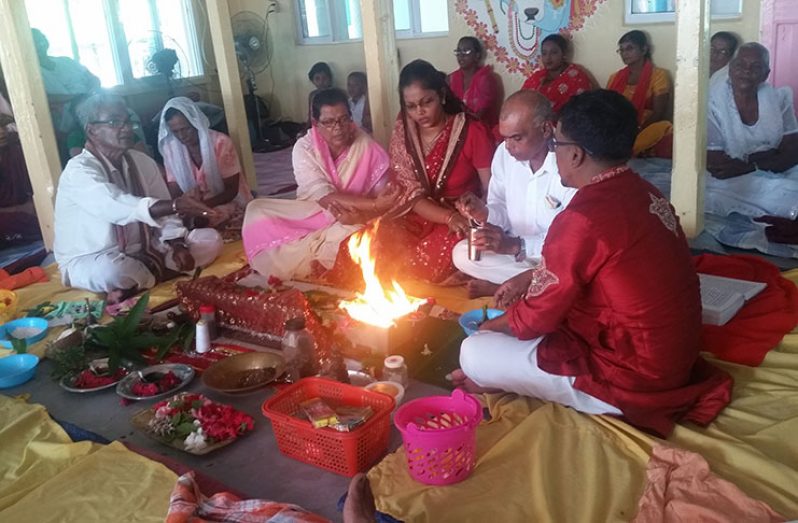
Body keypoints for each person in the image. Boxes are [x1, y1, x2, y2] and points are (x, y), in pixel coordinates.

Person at [452, 90, 733, 437]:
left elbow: (535, 318)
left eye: (555, 145)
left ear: (576, 153)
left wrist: (488, 329)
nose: (554, 154)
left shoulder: (582, 217)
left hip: (633, 376)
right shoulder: (646, 191)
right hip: (675, 357)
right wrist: (530, 276)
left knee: (474, 352)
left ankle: (556, 389)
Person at [327, 60, 495, 286]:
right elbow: (410, 194)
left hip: (461, 219)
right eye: (411, 106)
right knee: (361, 249)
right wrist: (446, 216)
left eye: (427, 102)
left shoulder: (471, 130)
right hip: (419, 214)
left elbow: (492, 190)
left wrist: (472, 215)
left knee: (419, 265)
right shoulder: (404, 131)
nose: (420, 112)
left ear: (442, 95)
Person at [54, 94, 223, 303]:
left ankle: (139, 282)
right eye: (114, 122)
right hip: (95, 257)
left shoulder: (142, 161)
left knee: (211, 240)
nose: (125, 128)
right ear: (91, 130)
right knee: (112, 271)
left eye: (128, 122)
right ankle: (156, 275)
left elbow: (166, 216)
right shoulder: (78, 171)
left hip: (147, 249)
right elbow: (114, 204)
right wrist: (176, 204)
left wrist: (177, 243)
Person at [242, 88, 397, 281]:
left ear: (351, 118)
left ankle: (321, 253)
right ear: (316, 124)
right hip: (309, 212)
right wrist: (374, 205)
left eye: (343, 119)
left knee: (364, 235)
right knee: (255, 209)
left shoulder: (365, 146)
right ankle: (322, 252)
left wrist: (365, 213)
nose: (338, 127)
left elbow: (384, 201)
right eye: (329, 122)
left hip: (351, 218)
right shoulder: (304, 147)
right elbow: (324, 197)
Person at [452, 90, 575, 298]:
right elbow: (500, 206)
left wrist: (517, 245)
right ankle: (529, 287)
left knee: (567, 272)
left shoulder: (568, 163)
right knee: (462, 253)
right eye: (505, 138)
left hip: (554, 258)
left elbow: (571, 239)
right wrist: (483, 213)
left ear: (545, 129)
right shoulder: (504, 154)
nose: (508, 147)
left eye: (516, 138)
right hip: (514, 256)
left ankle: (509, 287)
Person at [705, 42, 798, 223]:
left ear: (766, 74)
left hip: (759, 169)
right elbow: (718, 164)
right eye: (740, 65)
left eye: (756, 67)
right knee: (784, 195)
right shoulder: (712, 102)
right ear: (731, 68)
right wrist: (772, 156)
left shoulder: (779, 98)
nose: (747, 71)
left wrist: (751, 164)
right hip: (731, 178)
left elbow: (793, 151)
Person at [158, 97, 253, 228]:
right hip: (190, 204)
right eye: (175, 131)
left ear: (195, 123)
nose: (182, 136)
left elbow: (231, 190)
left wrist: (200, 207)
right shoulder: (170, 149)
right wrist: (183, 206)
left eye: (186, 129)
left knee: (211, 218)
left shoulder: (220, 142)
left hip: (225, 200)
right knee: (166, 223)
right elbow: (174, 188)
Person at [32, 28, 101, 161]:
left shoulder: (66, 61)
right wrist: (76, 98)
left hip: (93, 103)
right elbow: (41, 99)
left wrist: (92, 92)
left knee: (127, 116)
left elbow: (94, 79)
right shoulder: (32, 72)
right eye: (35, 42)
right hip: (64, 116)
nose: (40, 44)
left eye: (41, 39)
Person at [607, 30, 672, 157]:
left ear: (644, 50)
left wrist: (636, 130)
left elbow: (659, 113)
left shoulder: (659, 75)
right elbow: (607, 108)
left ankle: (628, 149)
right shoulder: (615, 77)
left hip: (645, 129)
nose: (624, 53)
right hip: (617, 129)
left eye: (629, 48)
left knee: (664, 127)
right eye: (621, 50)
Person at [521, 34, 595, 113]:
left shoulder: (576, 78)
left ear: (564, 54)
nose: (548, 58)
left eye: (553, 52)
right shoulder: (537, 77)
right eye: (544, 53)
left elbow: (583, 111)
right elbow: (521, 103)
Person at [448, 37, 501, 128]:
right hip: (456, 128)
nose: (461, 55)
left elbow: (481, 115)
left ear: (477, 55)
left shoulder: (486, 79)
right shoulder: (451, 78)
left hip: (482, 129)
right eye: (458, 52)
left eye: (466, 51)